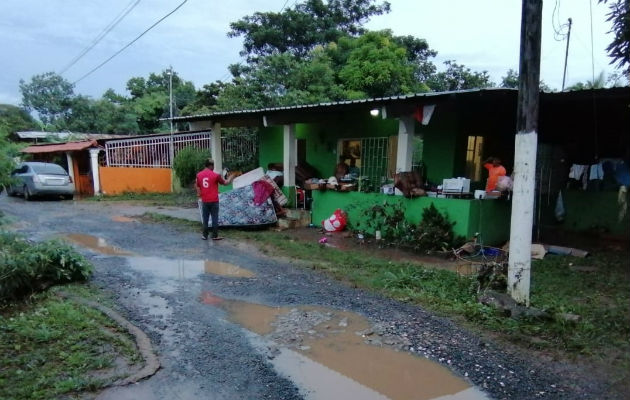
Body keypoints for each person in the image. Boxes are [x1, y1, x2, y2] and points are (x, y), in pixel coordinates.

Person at [196, 159, 234, 240]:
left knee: (205, 218)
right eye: (213, 166)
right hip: (214, 200)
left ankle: (204, 235)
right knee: (214, 218)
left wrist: (199, 195)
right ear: (211, 165)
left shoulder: (199, 175)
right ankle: (215, 235)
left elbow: (198, 186)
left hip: (205, 200)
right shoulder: (216, 175)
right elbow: (225, 183)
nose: (213, 168)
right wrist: (231, 177)